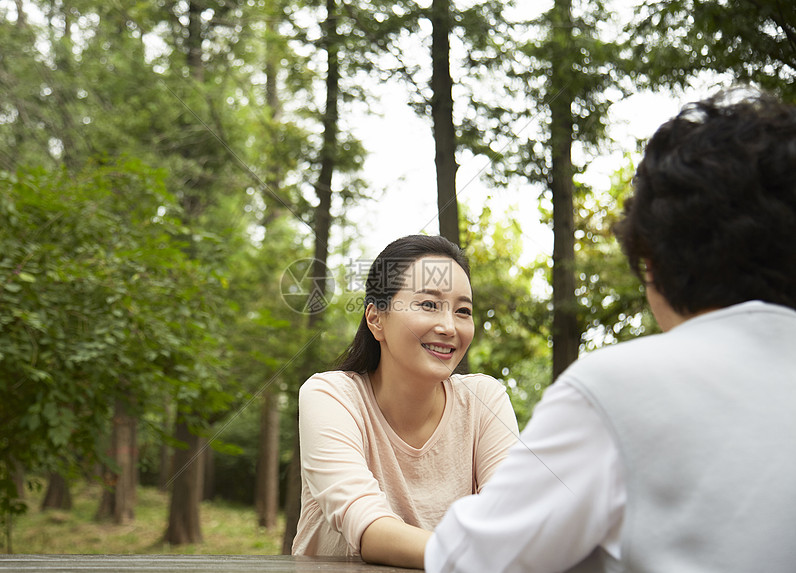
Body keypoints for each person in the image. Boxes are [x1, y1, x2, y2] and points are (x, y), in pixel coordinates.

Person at [426, 89, 796, 572]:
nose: (448, 326)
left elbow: (466, 559)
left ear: (651, 259)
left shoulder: (616, 387)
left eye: (462, 309)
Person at [292, 234, 519, 568]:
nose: (448, 326)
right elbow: (369, 529)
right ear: (376, 319)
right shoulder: (330, 396)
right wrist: (476, 552)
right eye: (429, 304)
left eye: (463, 311)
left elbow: (508, 518)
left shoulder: (485, 400)